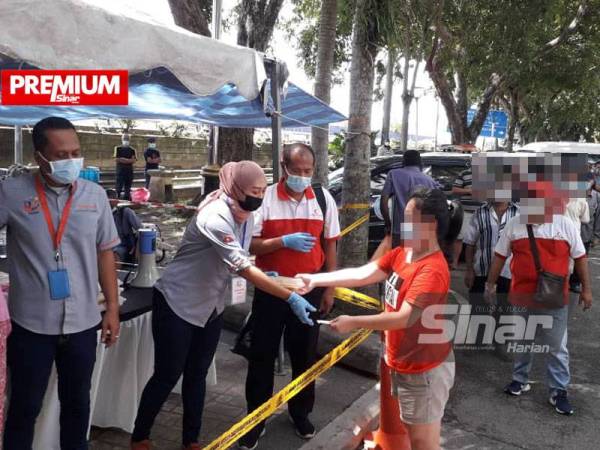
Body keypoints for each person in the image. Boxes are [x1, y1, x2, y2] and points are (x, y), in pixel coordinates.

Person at [130, 161, 318, 450]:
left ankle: (191, 440)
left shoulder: (244, 212)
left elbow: (241, 255)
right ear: (236, 187)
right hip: (178, 303)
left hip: (211, 307)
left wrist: (262, 271)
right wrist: (288, 295)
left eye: (262, 190)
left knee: (198, 375)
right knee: (168, 374)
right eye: (253, 191)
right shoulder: (215, 215)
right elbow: (241, 265)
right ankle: (140, 436)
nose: (258, 196)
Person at [296, 188, 454, 450]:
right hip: (401, 363)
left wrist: (354, 322)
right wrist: (315, 279)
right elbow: (363, 274)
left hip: (423, 372)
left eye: (409, 219)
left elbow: (405, 317)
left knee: (424, 444)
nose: (403, 225)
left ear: (431, 224)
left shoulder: (432, 269)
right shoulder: (404, 253)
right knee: (414, 436)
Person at [0, 116, 121, 449]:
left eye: (76, 153)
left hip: (83, 322)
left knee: (78, 405)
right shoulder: (11, 193)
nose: (71, 161)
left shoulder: (94, 196)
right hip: (31, 325)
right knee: (25, 407)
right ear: (40, 157)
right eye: (61, 154)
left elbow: (105, 254)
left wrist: (112, 308)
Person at [239, 144, 340, 449]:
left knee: (305, 356)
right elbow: (250, 246)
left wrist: (330, 287)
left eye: (308, 171)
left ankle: (300, 413)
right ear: (283, 167)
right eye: (296, 171)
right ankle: (256, 421)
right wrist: (282, 242)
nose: (302, 176)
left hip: (309, 290)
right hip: (271, 290)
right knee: (262, 356)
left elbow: (331, 244)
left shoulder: (322, 199)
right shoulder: (265, 198)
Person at [486, 180, 593, 415]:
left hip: (554, 298)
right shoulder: (515, 225)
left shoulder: (564, 225)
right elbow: (499, 256)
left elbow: (581, 257)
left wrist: (586, 289)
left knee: (556, 346)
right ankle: (520, 379)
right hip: (522, 296)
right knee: (523, 340)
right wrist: (490, 284)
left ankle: (558, 390)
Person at [463, 200, 518, 354]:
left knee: (505, 307)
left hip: (508, 271)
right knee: (478, 306)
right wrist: (469, 269)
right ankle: (477, 341)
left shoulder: (519, 213)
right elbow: (469, 243)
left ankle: (500, 344)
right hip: (482, 268)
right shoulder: (479, 213)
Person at [380, 150, 438, 249]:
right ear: (420, 162)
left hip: (400, 227)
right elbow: (435, 207)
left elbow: (383, 201)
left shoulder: (393, 174)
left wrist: (388, 223)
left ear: (404, 161)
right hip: (421, 227)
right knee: (416, 261)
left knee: (399, 260)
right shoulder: (430, 181)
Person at [106, 189, 143, 263]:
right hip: (105, 246)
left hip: (122, 246)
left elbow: (141, 229)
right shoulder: (100, 215)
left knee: (114, 256)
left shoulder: (125, 212)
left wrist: (136, 247)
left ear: (116, 201)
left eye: (110, 200)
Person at [564, 197, 589, 293]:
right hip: (574, 234)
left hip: (558, 233)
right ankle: (565, 286)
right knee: (570, 262)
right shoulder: (582, 200)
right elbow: (586, 220)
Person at [451, 163, 473, 269]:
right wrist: (468, 190)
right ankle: (455, 262)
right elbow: (455, 189)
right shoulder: (464, 174)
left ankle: (475, 264)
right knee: (459, 238)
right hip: (466, 212)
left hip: (483, 211)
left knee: (481, 239)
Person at [114, 133, 137, 200]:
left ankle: (126, 198)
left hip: (129, 171)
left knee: (128, 187)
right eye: (125, 139)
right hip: (120, 171)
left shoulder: (132, 150)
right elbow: (117, 159)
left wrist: (123, 159)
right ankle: (117, 198)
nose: (126, 140)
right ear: (122, 139)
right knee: (119, 187)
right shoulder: (118, 148)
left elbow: (133, 160)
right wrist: (128, 160)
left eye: (127, 139)